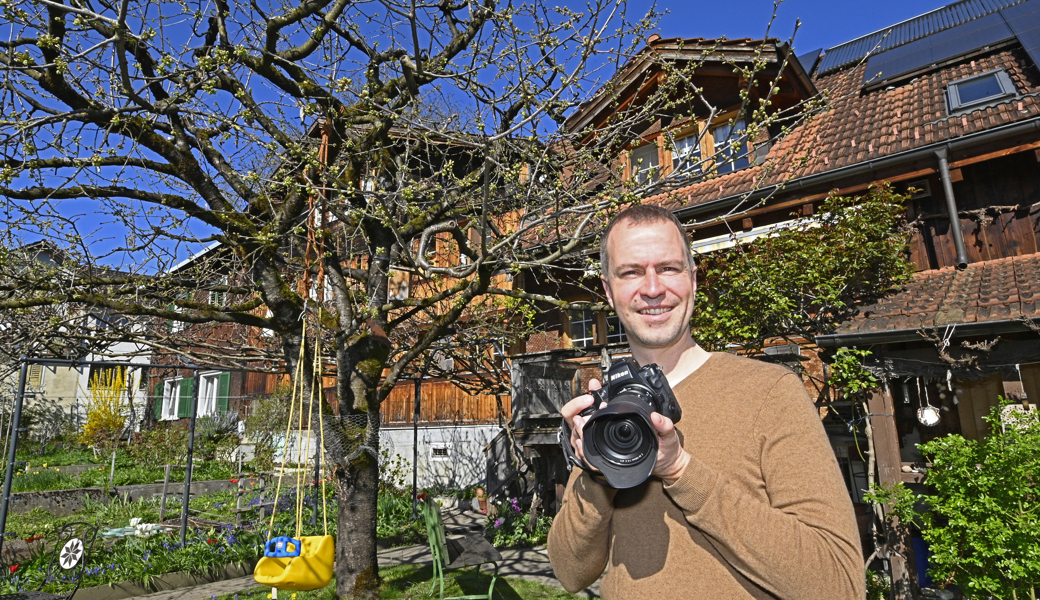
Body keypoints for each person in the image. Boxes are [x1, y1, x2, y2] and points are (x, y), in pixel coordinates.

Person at [547, 204, 865, 599]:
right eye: (631, 272)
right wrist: (595, 476)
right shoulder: (608, 413)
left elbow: (838, 585)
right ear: (609, 293)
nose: (651, 288)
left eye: (668, 268)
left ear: (693, 280)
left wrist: (681, 470)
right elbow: (570, 573)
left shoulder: (770, 392)